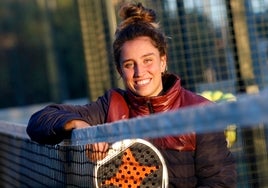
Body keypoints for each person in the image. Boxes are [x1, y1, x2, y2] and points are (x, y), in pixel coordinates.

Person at [27, 2, 236, 187]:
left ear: (163, 60)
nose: (139, 72)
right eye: (129, 64)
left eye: (147, 60)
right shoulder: (111, 106)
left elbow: (219, 182)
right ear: (120, 70)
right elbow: (39, 122)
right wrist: (80, 126)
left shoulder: (200, 112)